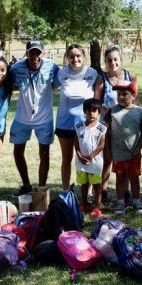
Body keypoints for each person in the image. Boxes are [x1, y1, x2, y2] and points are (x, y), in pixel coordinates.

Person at [9, 40, 59, 196]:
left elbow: (56, 83)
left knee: (44, 152)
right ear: (27, 52)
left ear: (43, 53)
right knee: (18, 152)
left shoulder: (52, 66)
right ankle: (26, 185)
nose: (35, 56)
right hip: (22, 117)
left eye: (38, 52)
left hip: (44, 118)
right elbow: (11, 85)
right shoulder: (16, 68)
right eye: (32, 52)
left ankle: (41, 187)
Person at [94, 47, 139, 202]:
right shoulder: (102, 79)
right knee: (107, 158)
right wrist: (111, 111)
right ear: (105, 62)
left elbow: (136, 99)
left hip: (126, 124)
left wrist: (138, 119)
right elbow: (96, 103)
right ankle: (104, 190)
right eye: (109, 60)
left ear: (120, 60)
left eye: (115, 59)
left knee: (125, 158)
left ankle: (126, 192)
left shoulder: (130, 75)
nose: (112, 62)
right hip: (108, 124)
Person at [55, 44, 99, 191]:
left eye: (78, 56)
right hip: (65, 123)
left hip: (86, 124)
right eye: (72, 56)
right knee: (66, 158)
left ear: (83, 56)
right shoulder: (61, 73)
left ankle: (89, 193)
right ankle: (66, 190)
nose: (75, 59)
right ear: (67, 58)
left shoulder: (92, 73)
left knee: (87, 158)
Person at [104, 82, 142, 215]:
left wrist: (138, 148)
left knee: (134, 178)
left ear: (133, 96)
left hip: (133, 152)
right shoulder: (112, 111)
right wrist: (108, 150)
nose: (121, 97)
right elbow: (106, 132)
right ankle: (121, 202)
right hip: (117, 152)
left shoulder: (138, 111)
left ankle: (136, 201)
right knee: (120, 178)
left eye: (125, 94)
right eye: (119, 94)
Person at [74, 98, 107, 218]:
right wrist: (79, 154)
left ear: (99, 112)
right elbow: (76, 141)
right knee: (84, 184)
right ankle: (84, 204)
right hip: (81, 162)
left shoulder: (101, 128)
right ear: (84, 111)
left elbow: (102, 144)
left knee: (97, 185)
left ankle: (97, 207)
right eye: (89, 110)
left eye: (95, 110)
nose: (92, 113)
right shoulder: (79, 126)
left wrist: (91, 156)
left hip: (95, 162)